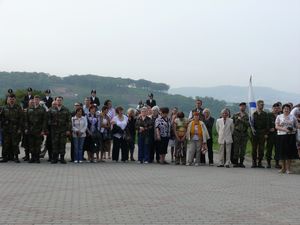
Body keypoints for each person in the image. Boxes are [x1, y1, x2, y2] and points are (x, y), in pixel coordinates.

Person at [275, 104, 299, 174]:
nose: (286, 110)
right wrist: (284, 129)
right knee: (282, 152)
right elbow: (276, 126)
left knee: (289, 152)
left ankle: (288, 169)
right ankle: (283, 168)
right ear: (282, 109)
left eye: (288, 108)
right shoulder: (279, 116)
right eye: (285, 108)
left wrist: (294, 128)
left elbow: (297, 125)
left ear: (290, 109)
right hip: (281, 136)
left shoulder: (293, 117)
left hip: (291, 136)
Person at [0, 94, 23, 163]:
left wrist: (19, 128)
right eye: (10, 99)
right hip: (6, 129)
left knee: (15, 144)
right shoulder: (4, 108)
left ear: (15, 100)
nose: (11, 100)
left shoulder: (18, 108)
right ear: (8, 100)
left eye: (13, 99)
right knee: (5, 143)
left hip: (15, 129)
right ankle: (4, 157)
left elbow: (21, 119)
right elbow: (1, 118)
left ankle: (16, 157)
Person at [48, 96, 71, 164]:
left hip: (63, 130)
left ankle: (62, 158)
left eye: (60, 100)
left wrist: (68, 130)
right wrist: (52, 123)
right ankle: (55, 158)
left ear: (62, 101)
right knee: (54, 144)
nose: (59, 101)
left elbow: (69, 121)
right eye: (58, 100)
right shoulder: (51, 109)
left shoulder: (66, 109)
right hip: (54, 130)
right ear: (55, 101)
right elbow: (48, 119)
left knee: (62, 144)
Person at [25, 95, 48, 163]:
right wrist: (26, 128)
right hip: (31, 129)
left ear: (39, 101)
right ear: (33, 100)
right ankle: (32, 157)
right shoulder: (29, 109)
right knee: (31, 144)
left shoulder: (42, 109)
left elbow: (44, 120)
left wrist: (43, 130)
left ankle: (37, 158)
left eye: (37, 99)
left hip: (39, 130)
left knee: (38, 144)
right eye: (35, 99)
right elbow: (26, 120)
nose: (36, 101)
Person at [251, 100, 269, 168]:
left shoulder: (265, 114)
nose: (262, 105)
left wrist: (266, 133)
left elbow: (267, 125)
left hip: (262, 132)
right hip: (255, 133)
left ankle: (260, 162)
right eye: (261, 104)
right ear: (257, 105)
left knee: (261, 149)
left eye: (263, 104)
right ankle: (254, 162)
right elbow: (251, 124)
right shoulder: (253, 114)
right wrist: (252, 131)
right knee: (254, 148)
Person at [232, 102, 249, 168]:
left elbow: (248, 124)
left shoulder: (247, 115)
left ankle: (241, 162)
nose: (242, 107)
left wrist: (241, 120)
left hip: (244, 134)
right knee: (236, 149)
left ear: (245, 107)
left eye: (244, 106)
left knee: (243, 149)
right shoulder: (235, 115)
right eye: (241, 106)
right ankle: (235, 162)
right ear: (239, 107)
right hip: (237, 133)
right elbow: (232, 123)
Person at [266, 103, 281, 169]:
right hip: (270, 135)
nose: (276, 109)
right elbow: (266, 124)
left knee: (277, 150)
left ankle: (277, 163)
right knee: (269, 149)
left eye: (277, 108)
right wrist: (268, 130)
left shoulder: (280, 116)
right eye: (275, 108)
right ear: (272, 108)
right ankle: (268, 163)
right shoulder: (269, 115)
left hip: (278, 134)